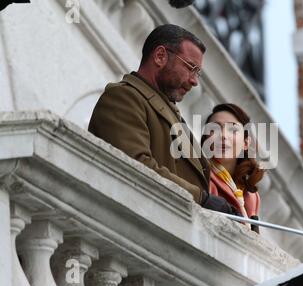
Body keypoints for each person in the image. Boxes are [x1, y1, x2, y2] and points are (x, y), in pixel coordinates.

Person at [88, 24, 235, 214]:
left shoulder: (167, 111)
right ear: (160, 56)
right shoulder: (123, 97)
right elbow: (135, 166)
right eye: (191, 67)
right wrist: (201, 198)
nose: (194, 81)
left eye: (197, 72)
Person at [202, 104, 265, 232]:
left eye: (233, 130)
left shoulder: (251, 195)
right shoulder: (199, 174)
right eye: (215, 129)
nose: (223, 135)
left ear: (245, 143)